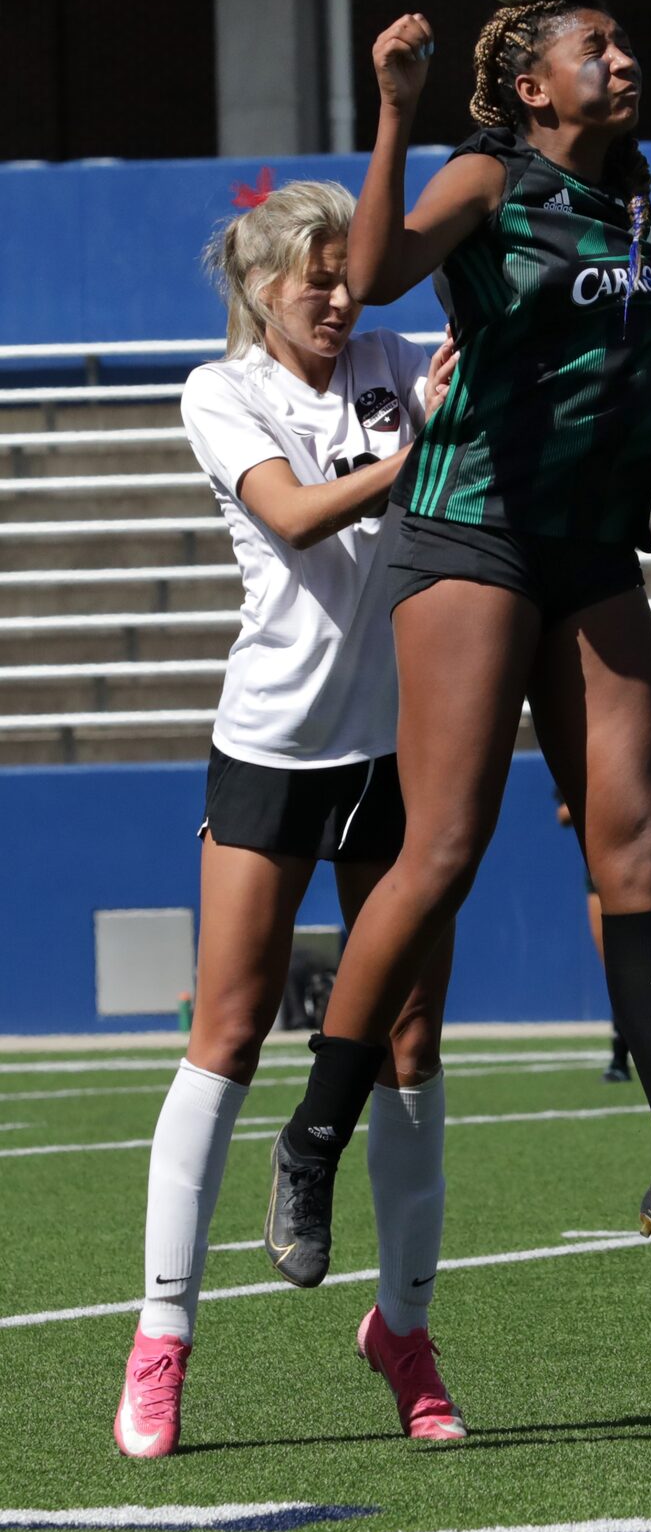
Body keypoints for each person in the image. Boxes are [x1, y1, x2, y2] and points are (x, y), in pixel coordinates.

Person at [263, 0, 651, 1298]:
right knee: (441, 850)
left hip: (594, 540)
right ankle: (313, 1134)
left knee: (641, 840)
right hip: (475, 530)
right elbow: (376, 273)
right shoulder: (488, 173)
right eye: (594, 45)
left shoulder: (636, 192)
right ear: (533, 87)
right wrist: (393, 107)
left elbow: (638, 359)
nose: (624, 55)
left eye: (624, 36)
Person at [114, 179, 465, 1459]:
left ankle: (406, 1333)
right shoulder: (223, 394)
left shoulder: (390, 362)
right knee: (228, 1031)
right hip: (270, 743)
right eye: (312, 275)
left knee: (413, 1039)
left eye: (344, 272)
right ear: (260, 289)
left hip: (396, 749)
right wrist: (416, 456)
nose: (335, 293)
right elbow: (297, 518)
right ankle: (162, 1341)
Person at [556, 738, 651, 1082]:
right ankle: (620, 1056)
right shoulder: (586, 745)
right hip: (602, 868)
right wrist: (604, 808)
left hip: (646, 868)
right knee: (616, 968)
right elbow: (562, 813)